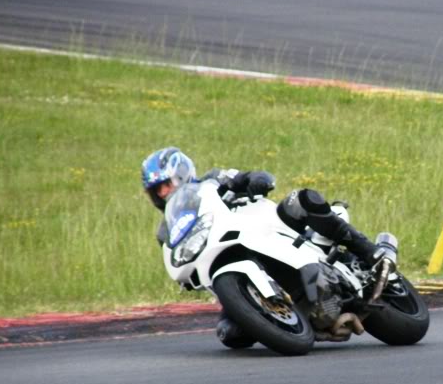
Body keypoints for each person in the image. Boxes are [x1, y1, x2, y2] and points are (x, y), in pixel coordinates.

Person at [140, 147, 391, 346]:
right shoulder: (166, 230)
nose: (162, 193)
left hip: (269, 228)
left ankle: (370, 251)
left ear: (181, 173)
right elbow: (178, 259)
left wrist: (254, 180)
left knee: (302, 200)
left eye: (166, 184)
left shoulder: (213, 180)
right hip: (228, 260)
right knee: (230, 334)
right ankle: (294, 320)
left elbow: (244, 177)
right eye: (156, 190)